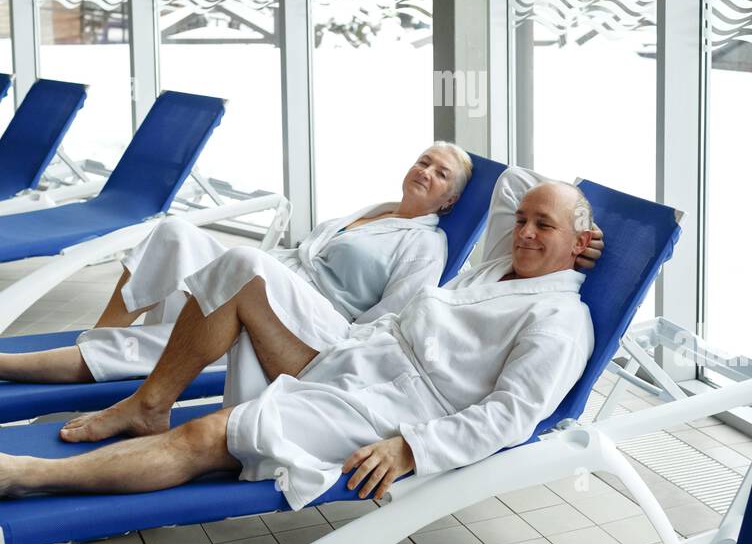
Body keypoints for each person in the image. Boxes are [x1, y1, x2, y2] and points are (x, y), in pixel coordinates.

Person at [0, 167, 597, 506]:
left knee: (212, 433)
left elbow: (511, 417)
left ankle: (27, 476)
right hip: (356, 354)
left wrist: (412, 448)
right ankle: (148, 403)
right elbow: (512, 188)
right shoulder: (497, 269)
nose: (523, 231)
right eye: (521, 221)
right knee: (242, 268)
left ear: (575, 245)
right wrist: (567, 230)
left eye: (543, 226)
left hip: (396, 407)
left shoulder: (560, 321)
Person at [0, 143, 473, 387]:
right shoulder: (376, 209)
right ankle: (101, 339)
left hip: (318, 320)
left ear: (449, 201)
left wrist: (342, 361)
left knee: (234, 275)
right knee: (174, 232)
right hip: (275, 278)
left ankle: (24, 366)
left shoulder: (425, 245)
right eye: (422, 161)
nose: (424, 172)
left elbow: (393, 315)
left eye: (439, 173)